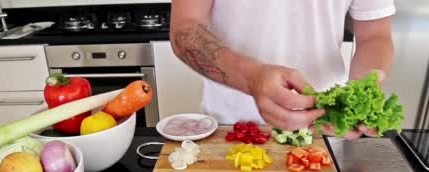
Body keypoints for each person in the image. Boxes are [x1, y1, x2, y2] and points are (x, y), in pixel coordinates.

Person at [170, 0, 396, 140]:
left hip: (325, 132)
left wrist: (362, 91)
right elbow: (185, 29)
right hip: (232, 129)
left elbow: (375, 36)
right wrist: (251, 79)